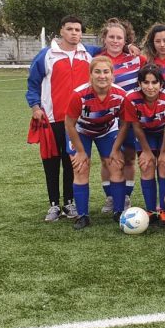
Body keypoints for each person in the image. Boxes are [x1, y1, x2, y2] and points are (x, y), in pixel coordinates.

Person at [26, 15, 100, 222]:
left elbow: (115, 49)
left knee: (72, 162)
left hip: (79, 121)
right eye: (70, 29)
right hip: (52, 118)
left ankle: (69, 202)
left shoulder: (90, 53)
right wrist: (35, 107)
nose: (74, 33)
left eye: (78, 30)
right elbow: (32, 85)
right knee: (51, 162)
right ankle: (53, 205)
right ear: (61, 31)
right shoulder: (46, 56)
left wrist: (131, 47)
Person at [64, 56, 128, 230]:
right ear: (90, 75)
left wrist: (116, 149)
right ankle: (83, 215)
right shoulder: (79, 95)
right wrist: (80, 151)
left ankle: (118, 211)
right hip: (80, 131)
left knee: (115, 165)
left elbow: (124, 125)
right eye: (97, 72)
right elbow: (69, 123)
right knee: (81, 167)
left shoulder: (121, 95)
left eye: (106, 72)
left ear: (112, 75)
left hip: (107, 131)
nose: (102, 76)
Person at [118, 64, 165, 226]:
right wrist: (146, 151)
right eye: (145, 82)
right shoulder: (130, 98)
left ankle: (164, 210)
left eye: (154, 82)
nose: (150, 87)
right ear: (139, 84)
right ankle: (151, 211)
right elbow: (136, 126)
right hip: (145, 133)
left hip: (164, 133)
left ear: (161, 84)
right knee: (146, 165)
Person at [98, 18, 146, 215]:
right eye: (112, 37)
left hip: (129, 117)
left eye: (120, 37)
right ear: (104, 38)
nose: (115, 41)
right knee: (107, 159)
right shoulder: (97, 58)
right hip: (104, 118)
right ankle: (110, 196)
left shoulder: (136, 59)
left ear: (126, 40)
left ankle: (125, 196)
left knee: (128, 159)